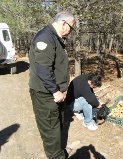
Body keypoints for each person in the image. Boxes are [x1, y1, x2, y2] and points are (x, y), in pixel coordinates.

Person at [28, 11, 75, 159]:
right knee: (50, 129)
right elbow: (43, 68)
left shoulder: (55, 37)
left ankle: (59, 149)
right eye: (71, 28)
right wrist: (55, 91)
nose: (71, 31)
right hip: (46, 94)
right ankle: (56, 156)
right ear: (63, 23)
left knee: (58, 123)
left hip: (54, 93)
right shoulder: (46, 37)